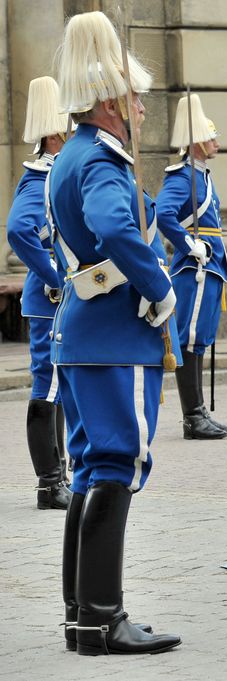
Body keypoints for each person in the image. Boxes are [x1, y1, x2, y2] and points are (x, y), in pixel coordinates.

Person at [50, 10, 181, 654]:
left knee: (89, 470)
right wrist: (159, 288)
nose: (143, 108)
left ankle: (83, 619)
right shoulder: (101, 159)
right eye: (136, 97)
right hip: (113, 335)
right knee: (115, 466)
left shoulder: (73, 155)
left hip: (83, 337)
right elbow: (113, 228)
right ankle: (105, 618)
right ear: (110, 102)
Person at [5, 76, 72, 510]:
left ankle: (60, 473)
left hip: (62, 297)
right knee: (47, 386)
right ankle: (49, 484)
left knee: (60, 386)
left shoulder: (58, 175)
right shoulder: (40, 179)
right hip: (50, 300)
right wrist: (51, 274)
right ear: (53, 135)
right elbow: (18, 230)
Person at [156, 93, 227, 439]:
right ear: (197, 142)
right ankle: (192, 417)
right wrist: (189, 244)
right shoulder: (182, 177)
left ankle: (200, 412)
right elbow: (163, 213)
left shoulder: (201, 175)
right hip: (196, 269)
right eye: (211, 136)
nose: (216, 142)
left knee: (199, 340)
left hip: (209, 265)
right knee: (189, 341)